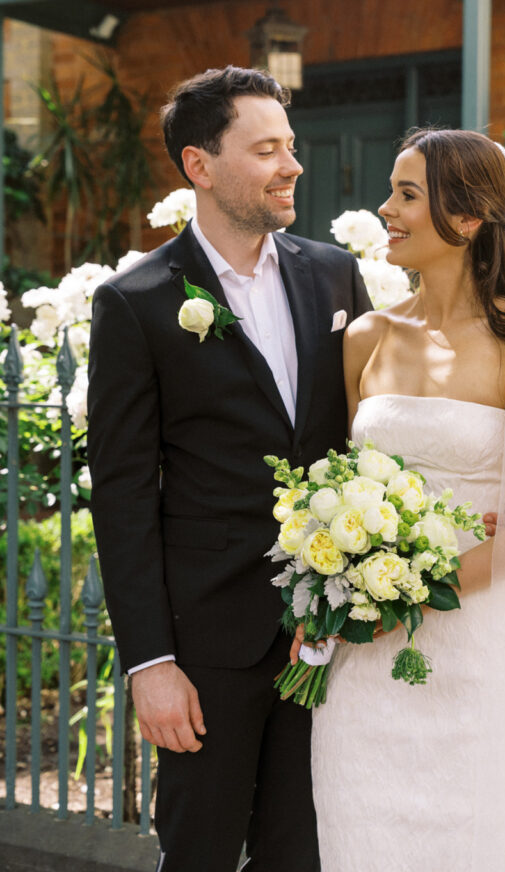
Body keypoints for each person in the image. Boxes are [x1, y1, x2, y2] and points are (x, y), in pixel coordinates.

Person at [308, 129, 505, 872]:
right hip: (364, 666)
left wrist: (420, 591)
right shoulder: (364, 337)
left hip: (479, 652)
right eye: (390, 190)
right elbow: (330, 482)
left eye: (406, 194)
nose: (385, 208)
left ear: (470, 217)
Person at [87, 65, 373, 872]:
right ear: (199, 166)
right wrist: (151, 663)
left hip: (323, 637)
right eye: (265, 150)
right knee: (202, 852)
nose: (292, 166)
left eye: (289, 146)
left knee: (306, 852)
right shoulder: (136, 302)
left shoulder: (332, 275)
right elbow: (122, 495)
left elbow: (353, 445)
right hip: (206, 647)